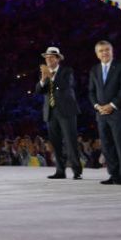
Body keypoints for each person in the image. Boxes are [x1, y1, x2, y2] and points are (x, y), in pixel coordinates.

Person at [88, 41, 121, 185]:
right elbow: (91, 91)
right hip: (101, 114)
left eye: (107, 50)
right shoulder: (94, 70)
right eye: (101, 51)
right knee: (107, 146)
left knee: (120, 145)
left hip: (118, 112)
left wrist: (112, 105)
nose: (104, 53)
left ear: (112, 51)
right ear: (97, 54)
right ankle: (114, 175)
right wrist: (97, 106)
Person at [35, 47, 82, 179]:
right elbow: (38, 91)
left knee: (70, 142)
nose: (48, 59)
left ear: (57, 59)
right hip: (51, 112)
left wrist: (49, 75)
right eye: (46, 57)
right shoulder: (45, 73)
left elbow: (64, 85)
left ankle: (77, 171)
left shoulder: (67, 71)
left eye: (51, 57)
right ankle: (60, 171)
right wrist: (43, 79)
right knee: (55, 143)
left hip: (66, 111)